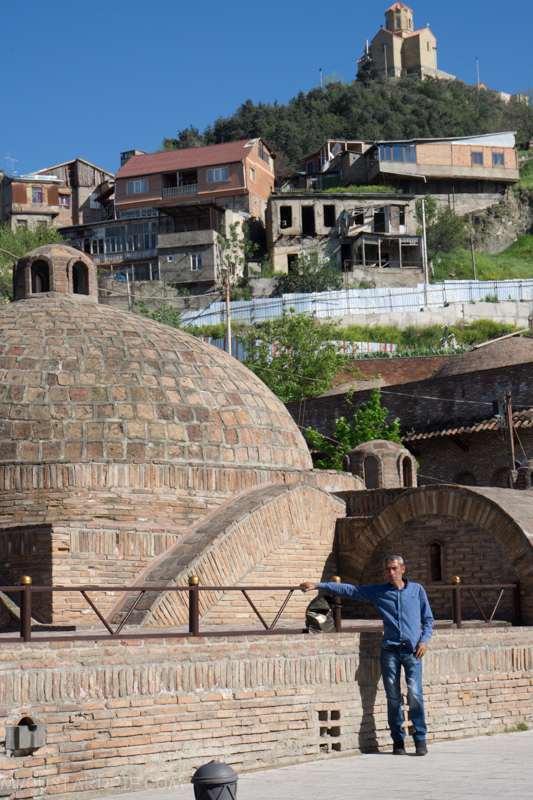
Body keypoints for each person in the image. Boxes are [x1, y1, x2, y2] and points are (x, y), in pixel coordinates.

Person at [300, 555, 433, 756]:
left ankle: (420, 739)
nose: (391, 573)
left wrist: (424, 640)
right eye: (387, 569)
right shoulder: (379, 591)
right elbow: (350, 590)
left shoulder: (417, 590)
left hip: (413, 650)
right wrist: (319, 585)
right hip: (389, 650)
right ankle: (398, 741)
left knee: (414, 694)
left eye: (394, 568)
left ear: (403, 569)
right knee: (393, 696)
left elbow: (428, 619)